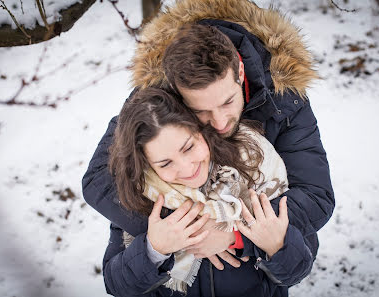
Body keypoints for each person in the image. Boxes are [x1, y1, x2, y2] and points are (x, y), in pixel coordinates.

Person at [83, 0, 334, 293]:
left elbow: (315, 196)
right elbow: (100, 179)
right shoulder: (153, 105)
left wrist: (234, 233)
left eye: (227, 101)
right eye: (200, 111)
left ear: (240, 71)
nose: (219, 122)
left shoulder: (285, 101)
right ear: (177, 95)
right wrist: (185, 231)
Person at [103, 87, 312, 296]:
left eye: (188, 147)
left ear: (202, 131)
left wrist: (243, 238)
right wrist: (153, 248)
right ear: (148, 165)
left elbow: (297, 271)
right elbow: (116, 285)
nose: (187, 168)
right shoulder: (143, 194)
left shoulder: (256, 170)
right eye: (165, 163)